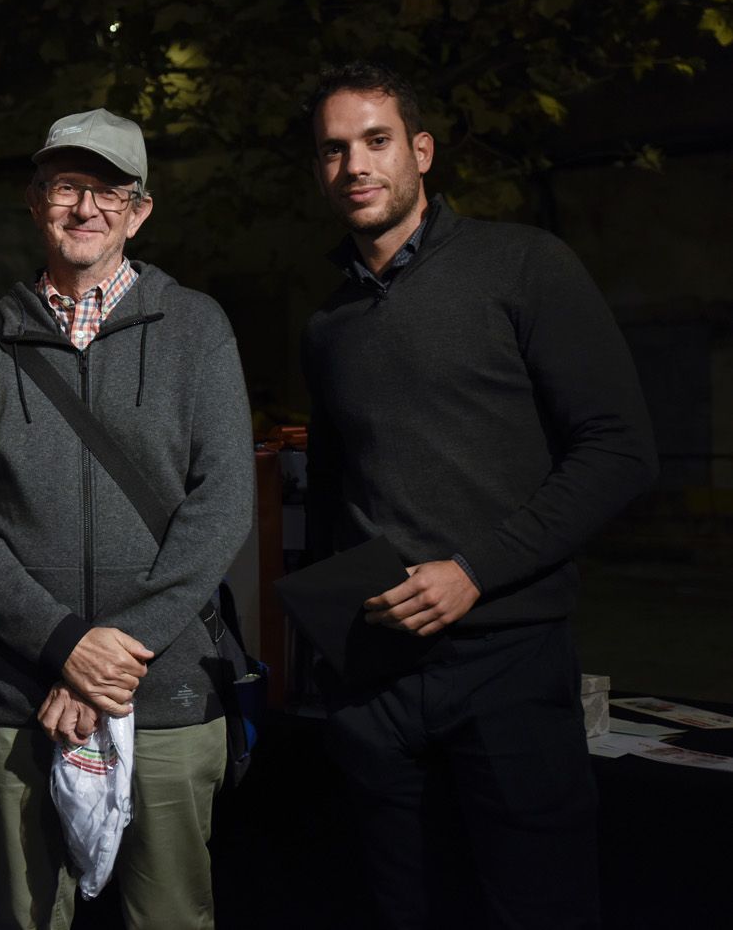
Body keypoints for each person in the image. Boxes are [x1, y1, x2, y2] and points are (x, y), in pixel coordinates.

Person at [299, 61, 658, 929]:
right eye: (335, 149)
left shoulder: (524, 265)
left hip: (509, 664)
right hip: (377, 685)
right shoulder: (329, 324)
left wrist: (473, 570)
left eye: (377, 141)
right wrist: (332, 657)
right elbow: (337, 495)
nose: (356, 164)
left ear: (421, 151)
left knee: (537, 909)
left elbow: (619, 451)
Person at [0, 108, 255, 930]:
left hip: (168, 690)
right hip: (19, 696)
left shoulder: (198, 329)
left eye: (109, 191)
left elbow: (222, 505)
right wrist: (63, 643)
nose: (86, 208)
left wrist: (117, 647)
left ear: (139, 211)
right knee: (27, 918)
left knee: (170, 917)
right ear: (35, 201)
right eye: (67, 187)